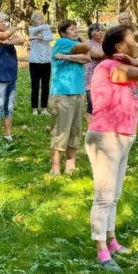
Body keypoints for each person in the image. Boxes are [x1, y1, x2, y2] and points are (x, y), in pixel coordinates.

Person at [85, 25, 138, 273]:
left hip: (122, 136)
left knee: (115, 193)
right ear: (119, 47)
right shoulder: (109, 67)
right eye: (133, 38)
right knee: (104, 196)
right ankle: (101, 251)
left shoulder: (122, 65)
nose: (137, 41)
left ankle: (111, 241)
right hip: (105, 137)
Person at [49, 19, 93, 174]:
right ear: (63, 33)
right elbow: (88, 48)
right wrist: (79, 50)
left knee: (75, 130)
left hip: (78, 92)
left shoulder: (73, 47)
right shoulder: (62, 42)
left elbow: (88, 58)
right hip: (62, 94)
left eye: (77, 29)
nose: (75, 31)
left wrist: (67, 57)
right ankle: (55, 167)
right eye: (72, 29)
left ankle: (70, 164)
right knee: (61, 130)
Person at [0, 12, 23, 143]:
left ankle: (8, 134)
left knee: (10, 106)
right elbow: (4, 35)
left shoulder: (6, 35)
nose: (5, 24)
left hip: (12, 75)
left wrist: (5, 42)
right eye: (2, 22)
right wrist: (17, 27)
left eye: (5, 21)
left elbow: (20, 40)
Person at [28, 12, 53, 116]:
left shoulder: (45, 30)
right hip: (35, 62)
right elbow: (31, 34)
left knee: (45, 85)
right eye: (39, 19)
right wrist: (38, 35)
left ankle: (44, 108)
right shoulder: (32, 29)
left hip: (46, 62)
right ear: (34, 22)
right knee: (35, 85)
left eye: (42, 19)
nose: (41, 21)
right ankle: (34, 108)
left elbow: (50, 38)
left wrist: (39, 37)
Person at [84, 23, 106, 117]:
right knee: (92, 105)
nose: (101, 32)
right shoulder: (89, 44)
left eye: (102, 30)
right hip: (91, 79)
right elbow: (99, 54)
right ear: (91, 33)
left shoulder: (103, 44)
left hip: (103, 78)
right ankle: (91, 128)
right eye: (98, 30)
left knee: (103, 104)